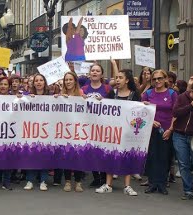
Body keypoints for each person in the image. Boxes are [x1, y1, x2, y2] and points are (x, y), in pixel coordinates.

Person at [93, 60, 139, 196]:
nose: (117, 80)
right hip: (113, 131)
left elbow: (139, 110)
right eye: (116, 77)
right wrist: (100, 100)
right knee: (110, 155)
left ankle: (127, 186)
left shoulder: (134, 94)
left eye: (120, 78)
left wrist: (145, 105)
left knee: (127, 156)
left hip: (128, 131)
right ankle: (108, 184)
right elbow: (105, 106)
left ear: (127, 80)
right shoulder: (112, 93)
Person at [142, 70, 176, 195]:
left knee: (164, 157)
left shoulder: (172, 93)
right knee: (152, 156)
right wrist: (151, 121)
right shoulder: (148, 93)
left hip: (166, 129)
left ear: (166, 79)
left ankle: (162, 183)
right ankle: (152, 183)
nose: (157, 81)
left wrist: (170, 129)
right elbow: (141, 111)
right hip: (151, 129)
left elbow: (175, 113)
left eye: (160, 78)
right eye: (154, 79)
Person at [53, 72, 86, 192]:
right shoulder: (61, 95)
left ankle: (78, 182)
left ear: (75, 81)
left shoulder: (81, 94)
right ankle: (67, 181)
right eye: (66, 80)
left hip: (78, 129)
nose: (68, 82)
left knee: (77, 155)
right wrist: (56, 99)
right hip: (65, 130)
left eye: (70, 79)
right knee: (66, 155)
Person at [22, 73, 51, 191]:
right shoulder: (28, 96)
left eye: (41, 80)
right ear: (33, 84)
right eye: (36, 81)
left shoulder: (51, 97)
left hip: (46, 130)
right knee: (31, 154)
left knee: (44, 155)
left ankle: (43, 180)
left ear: (44, 82)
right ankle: (30, 180)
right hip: (31, 130)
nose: (39, 82)